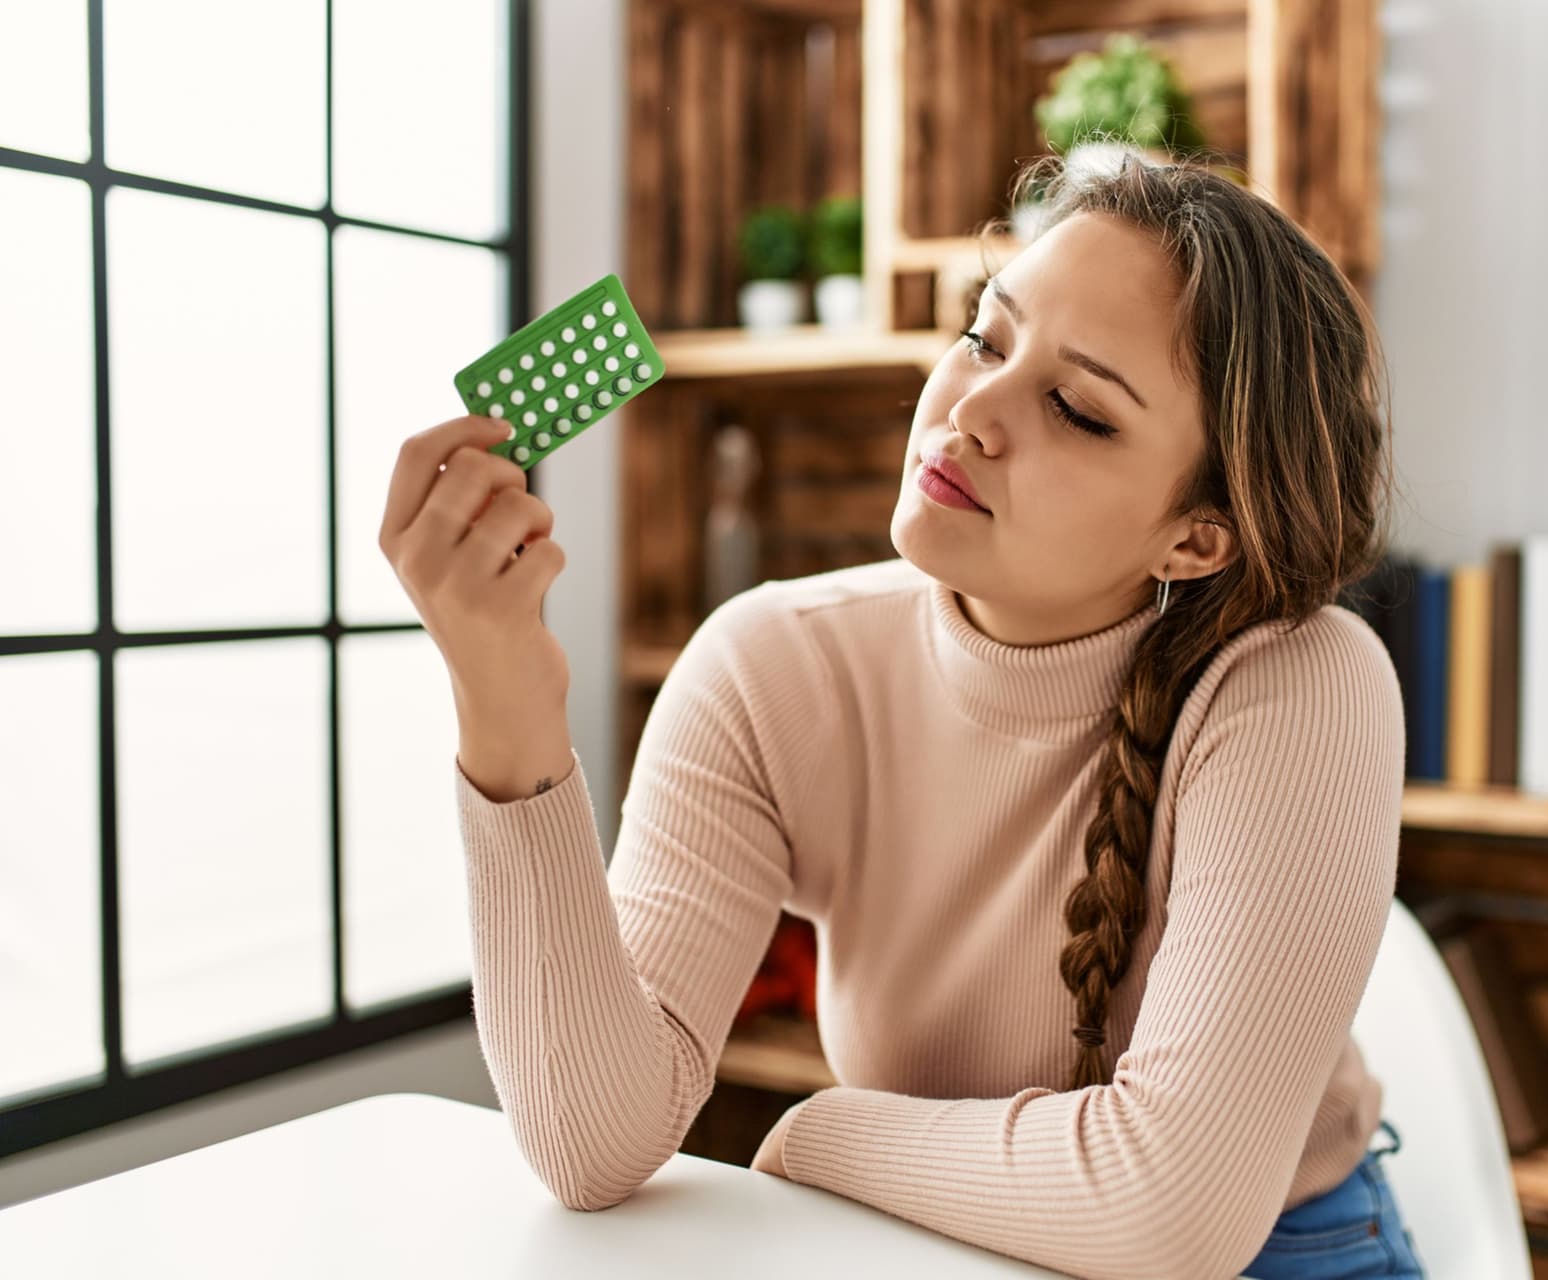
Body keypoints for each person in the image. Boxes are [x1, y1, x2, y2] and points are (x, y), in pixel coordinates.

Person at [380, 146, 1419, 1280]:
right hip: (925, 1235)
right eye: (985, 335)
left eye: (1074, 408)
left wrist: (818, 1133)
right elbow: (590, 1141)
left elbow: (1167, 1212)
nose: (969, 408)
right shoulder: (769, 665)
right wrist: (506, 709)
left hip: (1283, 1251)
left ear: (1196, 537)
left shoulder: (1298, 681)